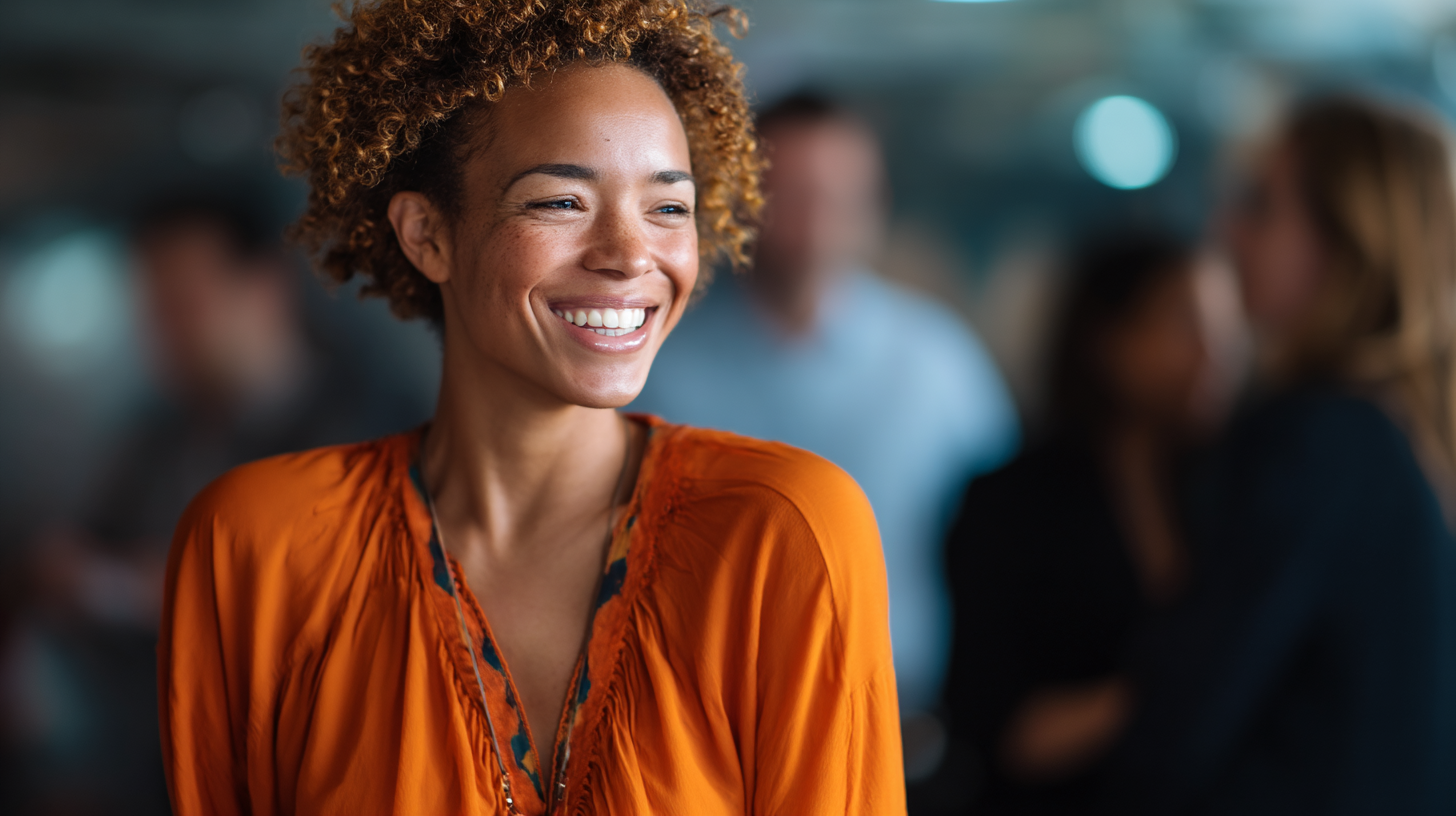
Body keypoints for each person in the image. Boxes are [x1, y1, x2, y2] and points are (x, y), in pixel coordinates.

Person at [158, 2, 906, 815]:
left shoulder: (785, 533)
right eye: (560, 202)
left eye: (668, 207)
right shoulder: (258, 549)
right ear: (427, 234)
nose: (630, 256)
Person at [1101, 97, 1456, 814]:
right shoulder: (1413, 433)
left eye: (1261, 206)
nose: (1226, 230)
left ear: (1348, 242)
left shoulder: (1317, 440)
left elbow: (1180, 723)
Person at [3, 196, 413, 816]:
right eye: (152, 312)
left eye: (183, 304)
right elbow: (86, 546)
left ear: (264, 288)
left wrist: (150, 588)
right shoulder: (161, 436)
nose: (165, 333)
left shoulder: (373, 429)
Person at [631, 94, 1020, 722]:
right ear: (739, 199)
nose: (815, 220)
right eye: (791, 194)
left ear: (876, 204)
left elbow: (1010, 540)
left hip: (903, 719)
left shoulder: (939, 362)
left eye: (839, 196)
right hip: (696, 719)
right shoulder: (655, 361)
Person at [942, 233, 1241, 814]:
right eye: (1185, 324)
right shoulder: (1012, 503)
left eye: (1228, 329)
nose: (1215, 353)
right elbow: (996, 725)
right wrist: (1163, 697)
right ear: (1107, 340)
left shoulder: (1239, 494)